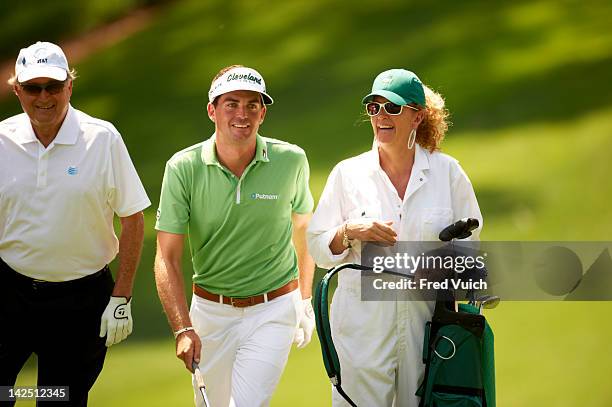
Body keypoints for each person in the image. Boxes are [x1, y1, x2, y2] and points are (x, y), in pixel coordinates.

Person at [307, 69, 483, 406]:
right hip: (361, 336)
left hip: (428, 335)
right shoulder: (348, 174)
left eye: (393, 108)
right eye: (375, 108)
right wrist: (348, 232)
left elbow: (470, 249)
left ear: (417, 116)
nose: (381, 117)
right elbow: (318, 248)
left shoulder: (448, 174)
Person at [154, 65, 315, 407]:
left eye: (252, 104)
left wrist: (304, 298)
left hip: (273, 310)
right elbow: (166, 256)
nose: (242, 114)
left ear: (263, 112)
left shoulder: (291, 160)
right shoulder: (183, 168)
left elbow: (305, 227)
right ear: (212, 110)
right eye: (231, 103)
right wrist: (183, 328)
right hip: (210, 313)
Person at [0, 41, 150, 406]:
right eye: (33, 88)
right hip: (9, 293)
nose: (44, 97)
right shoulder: (2, 139)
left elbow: (132, 217)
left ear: (70, 85)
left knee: (58, 398)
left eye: (53, 86)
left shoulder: (102, 138)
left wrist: (122, 295)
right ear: (17, 89)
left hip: (80, 302)